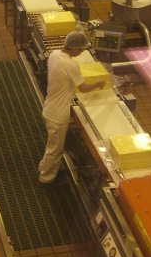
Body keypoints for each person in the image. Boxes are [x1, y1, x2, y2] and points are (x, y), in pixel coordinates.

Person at [38, 31, 105, 184]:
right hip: (58, 115)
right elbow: (83, 88)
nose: (81, 52)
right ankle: (46, 177)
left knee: (52, 145)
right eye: (81, 49)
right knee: (55, 149)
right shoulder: (71, 64)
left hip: (49, 106)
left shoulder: (55, 54)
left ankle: (43, 166)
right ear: (74, 48)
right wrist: (98, 83)